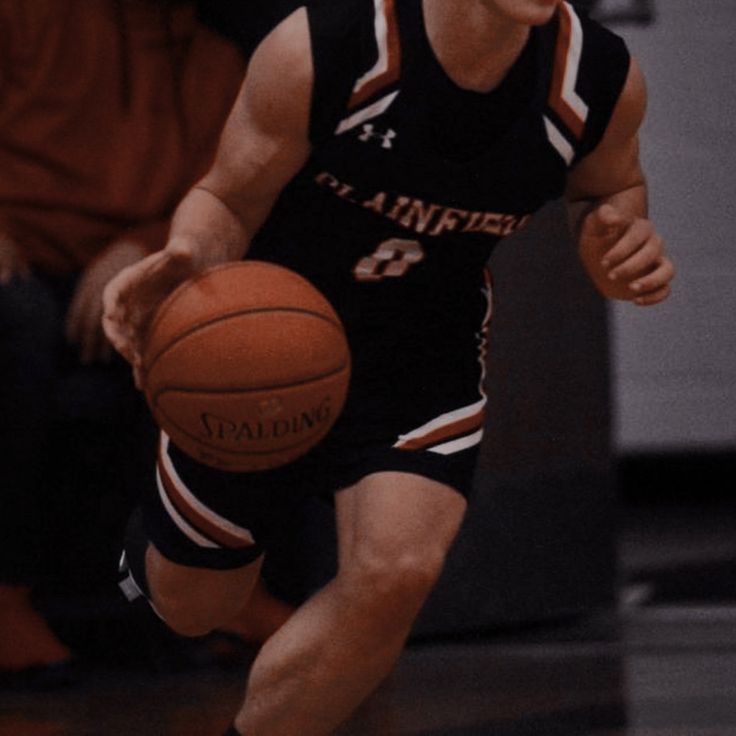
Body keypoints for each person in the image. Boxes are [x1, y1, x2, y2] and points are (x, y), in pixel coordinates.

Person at [103, 0, 675, 733]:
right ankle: (137, 550)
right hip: (262, 354)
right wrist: (188, 258)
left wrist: (618, 239)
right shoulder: (326, 46)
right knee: (189, 610)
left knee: (396, 575)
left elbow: (609, 187)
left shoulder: (598, 78)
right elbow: (227, 197)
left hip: (421, 354)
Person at [0, 0, 278, 688]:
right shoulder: (23, 17)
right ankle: (4, 598)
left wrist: (148, 247)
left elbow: (232, 192)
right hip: (17, 258)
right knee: (16, 320)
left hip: (135, 269)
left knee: (243, 326)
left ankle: (201, 592)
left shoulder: (219, 60)